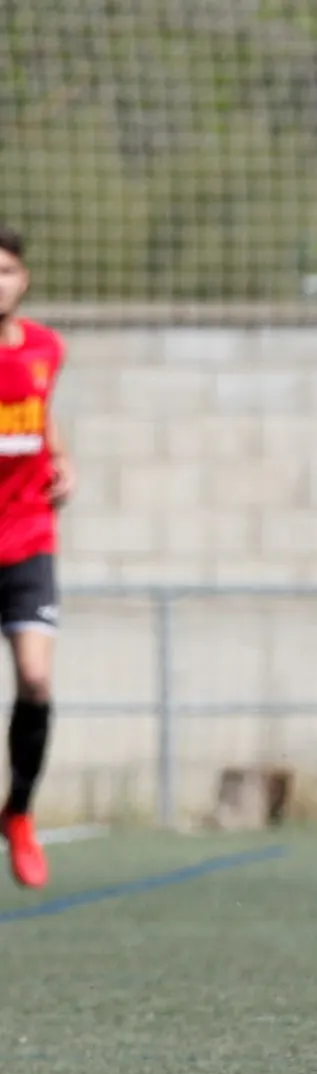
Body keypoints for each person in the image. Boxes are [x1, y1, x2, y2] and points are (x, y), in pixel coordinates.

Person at [0, 226, 73, 892]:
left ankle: (19, 813)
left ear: (24, 280)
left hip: (27, 542)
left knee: (37, 681)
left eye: (6, 271)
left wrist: (64, 463)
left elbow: (42, 419)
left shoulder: (48, 350)